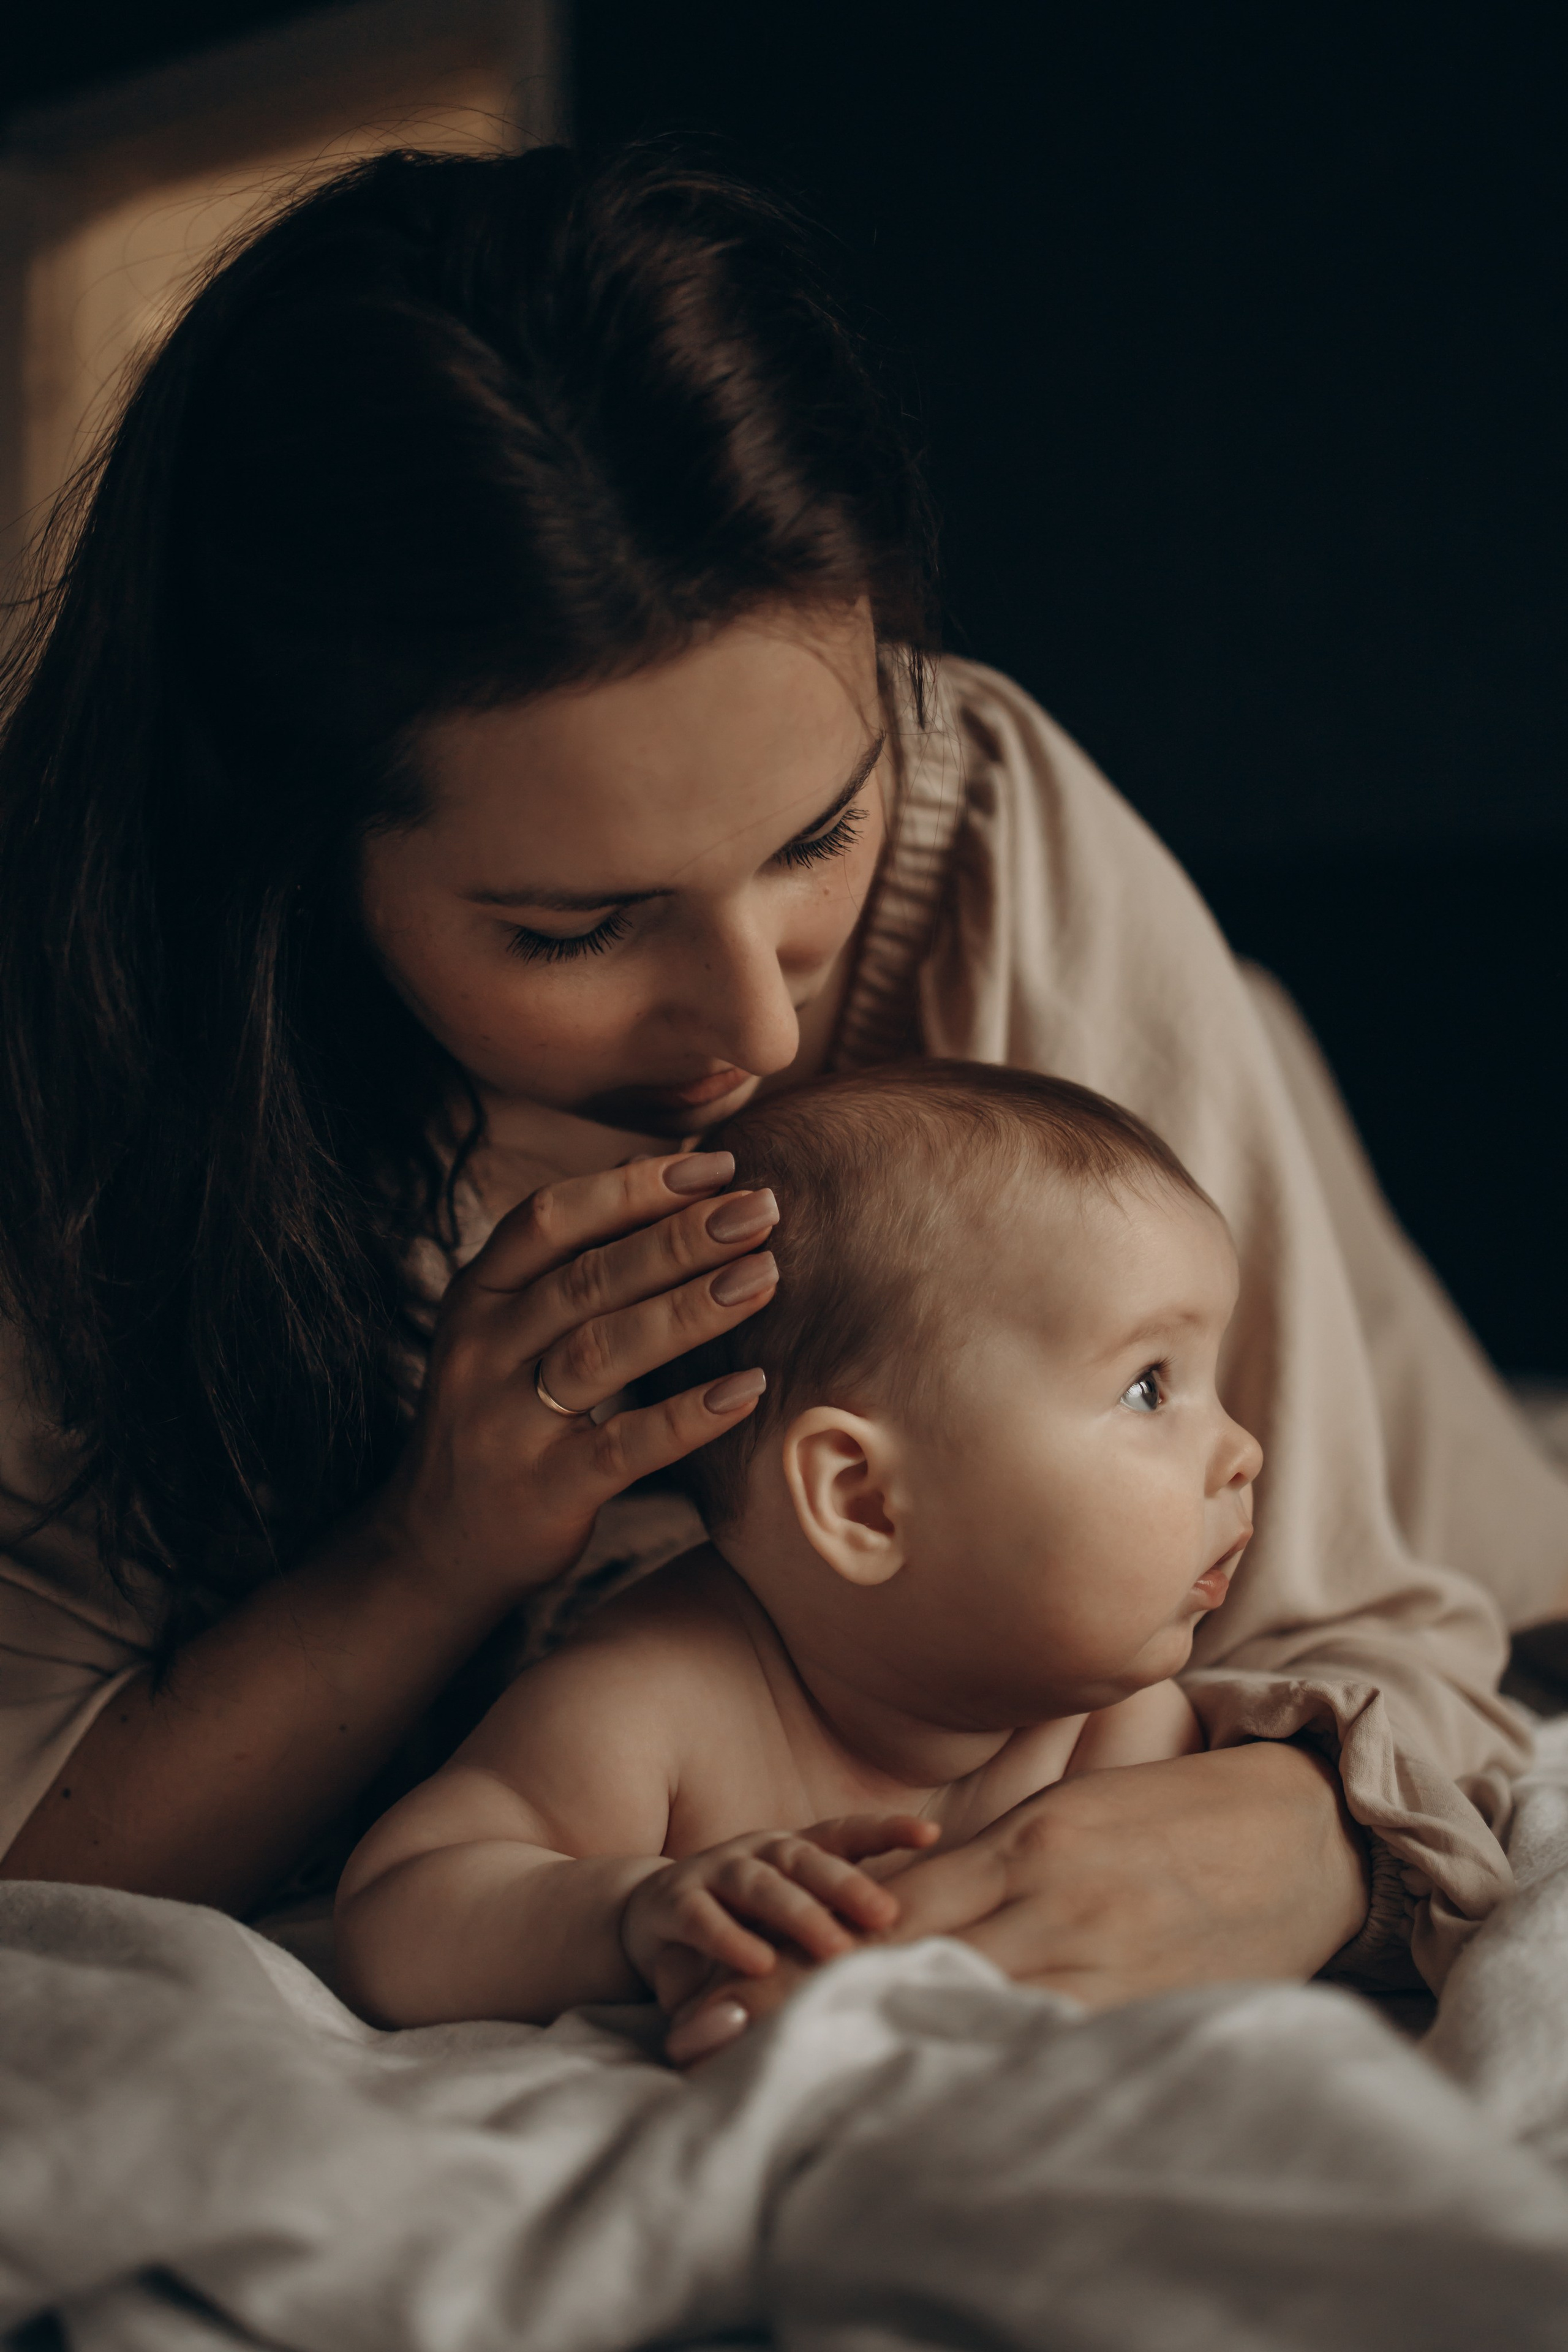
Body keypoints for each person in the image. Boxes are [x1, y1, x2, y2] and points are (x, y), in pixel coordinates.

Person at [0, 143, 1562, 2021]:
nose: (748, 1027)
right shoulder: (97, 1062)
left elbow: (1388, 1635)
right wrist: (431, 1551)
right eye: (576, 930)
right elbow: (49, 1845)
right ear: (280, 866)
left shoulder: (984, 831)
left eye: (818, 838)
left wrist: (1302, 1835)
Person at [333, 1063, 1254, 2031]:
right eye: (1149, 1387)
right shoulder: (654, 1701)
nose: (1244, 1451)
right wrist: (627, 1912)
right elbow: (393, 1915)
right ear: (863, 1501)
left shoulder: (1120, 1734)